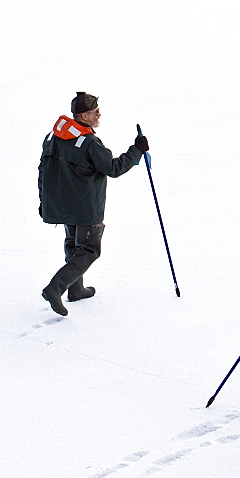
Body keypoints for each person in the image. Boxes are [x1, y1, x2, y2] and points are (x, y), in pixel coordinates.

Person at [39, 92, 149, 316]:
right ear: (84, 116)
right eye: (95, 111)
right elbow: (113, 168)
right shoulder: (89, 143)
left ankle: (76, 290)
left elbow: (43, 171)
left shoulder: (53, 137)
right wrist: (137, 149)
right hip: (86, 206)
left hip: (63, 204)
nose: (99, 114)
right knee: (88, 250)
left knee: (73, 245)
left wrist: (45, 201)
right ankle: (56, 288)